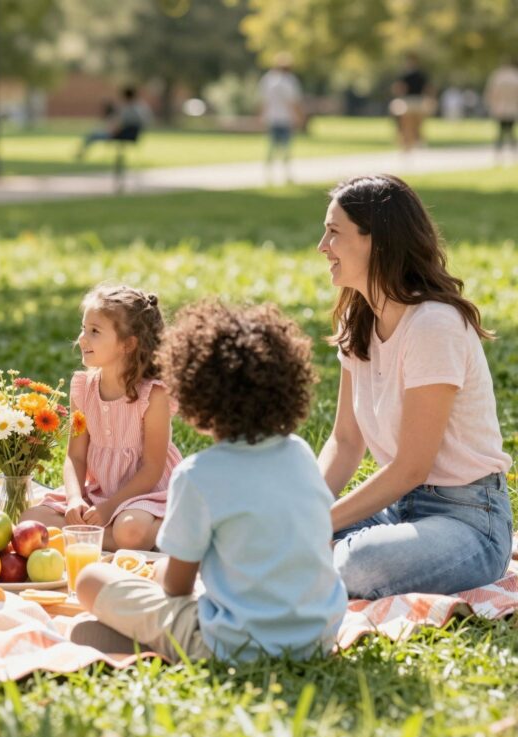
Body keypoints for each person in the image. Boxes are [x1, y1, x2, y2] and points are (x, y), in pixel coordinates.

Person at [72, 302, 346, 662]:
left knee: (91, 580)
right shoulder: (300, 453)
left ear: (193, 395)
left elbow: (177, 586)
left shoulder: (198, 475)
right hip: (318, 636)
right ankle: (146, 634)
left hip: (234, 646)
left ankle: (150, 638)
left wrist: (157, 571)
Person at [317, 174, 512, 599]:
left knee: (358, 563)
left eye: (334, 233)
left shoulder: (433, 325)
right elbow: (346, 441)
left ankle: (312, 561)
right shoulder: (359, 321)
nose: (322, 247)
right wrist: (303, 511)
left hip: (468, 521)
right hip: (396, 513)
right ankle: (310, 559)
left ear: (376, 241)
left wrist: (315, 527)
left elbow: (412, 467)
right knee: (270, 527)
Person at [20, 285, 182, 552]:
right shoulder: (83, 389)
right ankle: (101, 537)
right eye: (84, 329)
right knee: (31, 521)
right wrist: (74, 499)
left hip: (144, 495)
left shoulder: (153, 396)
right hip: (98, 494)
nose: (83, 339)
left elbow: (152, 469)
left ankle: (160, 529)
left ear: (128, 344)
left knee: (130, 531)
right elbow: (76, 456)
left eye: (94, 331)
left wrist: (110, 507)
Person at [257, 52, 303, 184]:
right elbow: (293, 102)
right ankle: (286, 174)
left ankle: (268, 173)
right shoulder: (290, 81)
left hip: (272, 117)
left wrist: (261, 115)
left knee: (272, 146)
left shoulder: (268, 80)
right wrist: (299, 116)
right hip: (285, 118)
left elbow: (263, 101)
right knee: (285, 148)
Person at [75, 86, 148, 160]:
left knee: (92, 135)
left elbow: (120, 124)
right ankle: (81, 154)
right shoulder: (141, 107)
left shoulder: (128, 109)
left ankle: (81, 154)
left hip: (119, 134)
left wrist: (112, 130)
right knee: (95, 132)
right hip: (128, 134)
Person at [392, 54, 432, 152]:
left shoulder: (417, 75)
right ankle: (410, 142)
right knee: (410, 123)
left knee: (414, 123)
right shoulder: (408, 75)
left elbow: (427, 88)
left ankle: (413, 142)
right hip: (411, 101)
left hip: (415, 100)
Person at [484, 56, 518, 164]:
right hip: (512, 108)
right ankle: (513, 154)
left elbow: (491, 93)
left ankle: (498, 155)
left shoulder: (497, 76)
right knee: (511, 132)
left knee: (500, 133)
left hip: (500, 108)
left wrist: (491, 105)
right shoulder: (515, 76)